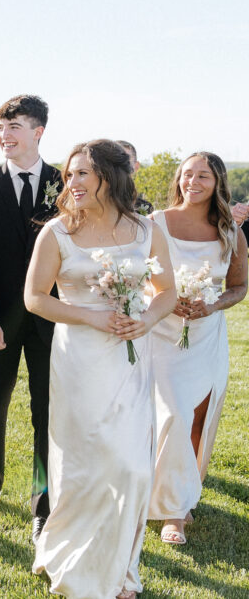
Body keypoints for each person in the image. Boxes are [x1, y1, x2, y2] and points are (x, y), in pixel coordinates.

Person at [25, 139, 176, 599]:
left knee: (131, 467)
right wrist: (92, 316)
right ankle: (69, 554)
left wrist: (147, 318)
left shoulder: (146, 230)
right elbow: (35, 298)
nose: (71, 183)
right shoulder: (56, 232)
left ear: (110, 178)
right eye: (69, 175)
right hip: (78, 360)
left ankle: (121, 567)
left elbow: (165, 290)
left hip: (130, 360)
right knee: (83, 463)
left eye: (82, 174)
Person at [0, 95, 61, 541]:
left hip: (50, 323)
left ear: (38, 131)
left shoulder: (66, 184)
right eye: (1, 128)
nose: (5, 136)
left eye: (14, 126)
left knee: (48, 413)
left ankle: (43, 500)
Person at [147, 152, 247, 544]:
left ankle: (178, 507)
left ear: (217, 182)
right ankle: (156, 492)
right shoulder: (156, 222)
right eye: (187, 174)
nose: (193, 181)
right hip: (161, 333)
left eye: (202, 175)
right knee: (168, 414)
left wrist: (212, 305)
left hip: (206, 337)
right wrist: (165, 299)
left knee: (195, 419)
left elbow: (238, 287)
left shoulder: (230, 233)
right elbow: (141, 274)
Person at [117, 140, 154, 215]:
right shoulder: (94, 203)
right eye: (116, 160)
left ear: (136, 166)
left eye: (126, 161)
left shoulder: (145, 208)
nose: (120, 165)